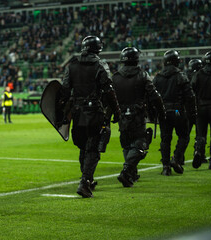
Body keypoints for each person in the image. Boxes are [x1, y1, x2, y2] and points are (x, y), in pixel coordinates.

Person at [61, 35, 121, 198]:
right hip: (94, 111)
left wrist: (62, 114)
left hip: (77, 112)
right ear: (97, 49)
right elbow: (108, 89)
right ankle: (85, 182)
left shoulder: (72, 65)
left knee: (83, 147)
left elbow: (64, 91)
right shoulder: (100, 64)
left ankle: (88, 179)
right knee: (93, 148)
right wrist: (116, 111)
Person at [112, 47, 165, 187]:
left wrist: (110, 116)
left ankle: (131, 174)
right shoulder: (142, 75)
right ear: (136, 59)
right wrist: (161, 112)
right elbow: (154, 95)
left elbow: (109, 99)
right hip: (138, 115)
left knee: (126, 144)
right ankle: (126, 171)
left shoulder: (115, 77)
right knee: (140, 143)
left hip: (122, 116)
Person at [153, 50, 197, 176]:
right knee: (184, 136)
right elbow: (190, 97)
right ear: (175, 61)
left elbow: (152, 97)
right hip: (177, 110)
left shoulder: (158, 77)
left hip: (164, 111)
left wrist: (154, 113)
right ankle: (176, 158)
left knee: (165, 139)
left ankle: (166, 167)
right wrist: (192, 113)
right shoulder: (181, 76)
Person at [191, 51, 211, 169]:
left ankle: (199, 152)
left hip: (200, 107)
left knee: (201, 134)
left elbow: (192, 90)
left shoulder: (199, 74)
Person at [186, 59, 207, 165]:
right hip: (200, 108)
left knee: (185, 134)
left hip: (188, 110)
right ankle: (200, 153)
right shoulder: (202, 75)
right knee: (201, 133)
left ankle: (179, 157)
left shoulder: (185, 76)